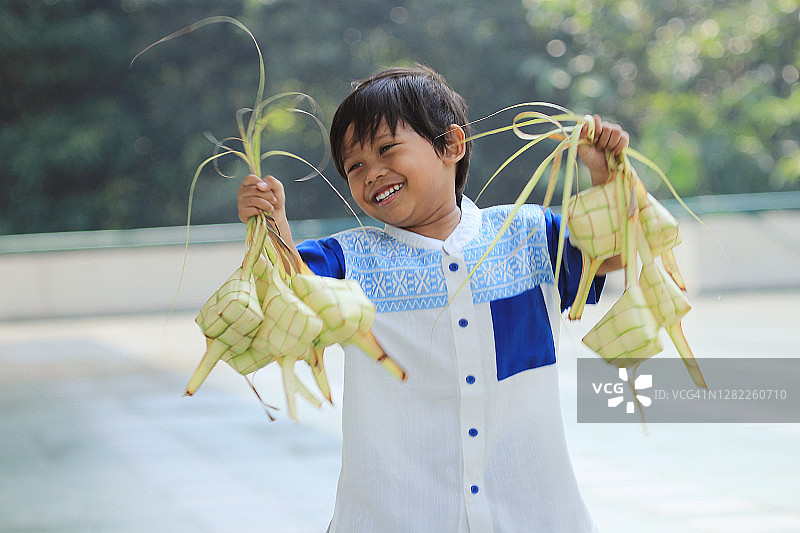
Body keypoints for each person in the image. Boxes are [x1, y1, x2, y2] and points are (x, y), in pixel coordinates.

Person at [237, 65, 627, 533]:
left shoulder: (526, 235)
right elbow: (288, 297)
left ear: (451, 146)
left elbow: (614, 253)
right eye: (354, 165)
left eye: (386, 149)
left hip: (533, 512)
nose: (371, 173)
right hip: (395, 516)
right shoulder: (348, 258)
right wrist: (271, 222)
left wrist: (606, 177)